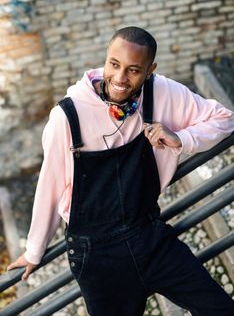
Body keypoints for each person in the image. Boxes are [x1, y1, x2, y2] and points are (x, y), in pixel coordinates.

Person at [8, 26, 234, 315]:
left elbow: (224, 119)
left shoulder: (161, 91)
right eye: (114, 65)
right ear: (105, 58)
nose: (119, 78)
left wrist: (182, 140)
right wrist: (34, 251)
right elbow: (50, 187)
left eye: (133, 70)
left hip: (151, 238)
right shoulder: (67, 116)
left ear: (150, 70)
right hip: (98, 259)